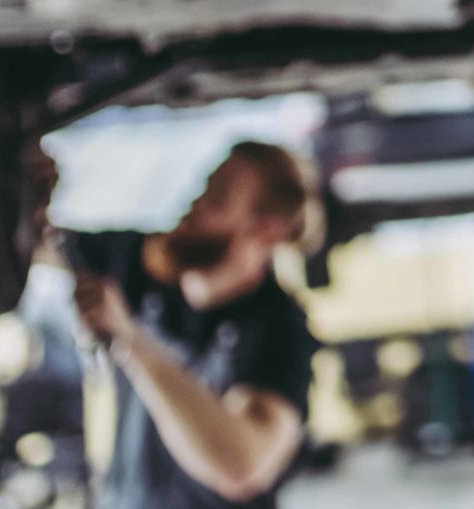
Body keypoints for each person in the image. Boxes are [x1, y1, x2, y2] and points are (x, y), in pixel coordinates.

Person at [66, 142, 319, 509]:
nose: (195, 205)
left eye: (217, 199)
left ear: (266, 229)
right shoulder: (138, 261)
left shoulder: (278, 328)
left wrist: (132, 344)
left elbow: (242, 467)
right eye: (204, 188)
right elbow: (29, 245)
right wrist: (29, 191)